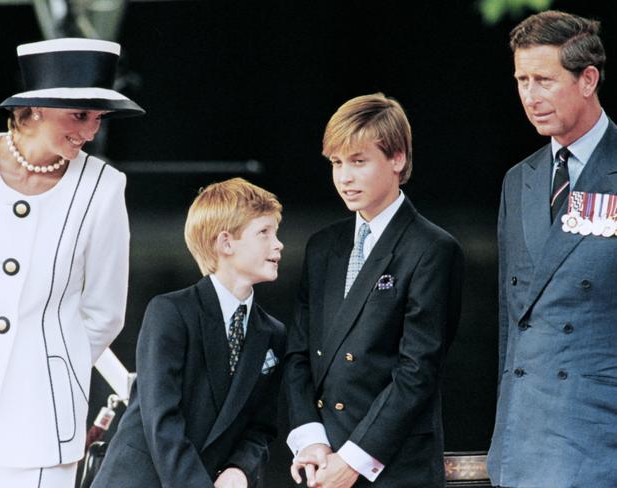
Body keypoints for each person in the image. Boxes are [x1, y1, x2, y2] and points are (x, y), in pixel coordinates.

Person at [0, 37, 144, 487]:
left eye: (97, 118)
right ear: (36, 109)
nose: (89, 132)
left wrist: (51, 368)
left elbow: (104, 311)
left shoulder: (104, 187)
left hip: (42, 421)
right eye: (79, 115)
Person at [284, 93, 464, 487]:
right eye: (336, 163)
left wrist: (352, 460)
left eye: (358, 161)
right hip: (322, 461)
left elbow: (417, 371)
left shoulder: (433, 249)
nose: (344, 177)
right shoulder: (322, 247)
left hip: (394, 465)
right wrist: (311, 440)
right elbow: (298, 354)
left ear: (397, 159)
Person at [487, 10, 617, 488]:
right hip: (523, 439)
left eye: (544, 79)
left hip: (599, 437)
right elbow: (511, 320)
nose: (530, 96)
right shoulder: (520, 179)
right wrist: (503, 436)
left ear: (588, 79)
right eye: (522, 80)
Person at [92, 177, 286, 488]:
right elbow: (162, 421)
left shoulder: (273, 333)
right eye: (264, 233)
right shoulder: (170, 313)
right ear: (226, 243)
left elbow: (260, 427)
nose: (278, 244)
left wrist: (239, 468)